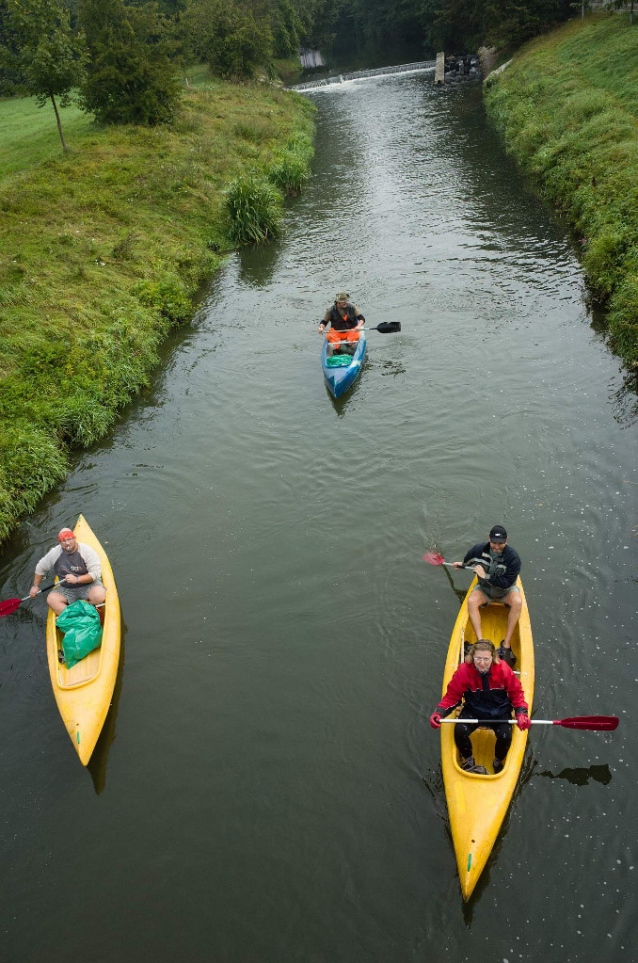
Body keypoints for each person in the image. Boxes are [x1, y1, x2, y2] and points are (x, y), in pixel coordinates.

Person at [430, 640, 530, 774]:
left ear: (493, 658)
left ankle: (498, 761)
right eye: (478, 658)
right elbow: (452, 697)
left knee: (505, 736)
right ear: (472, 657)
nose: (482, 663)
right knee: (459, 731)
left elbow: (517, 695)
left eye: (486, 659)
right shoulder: (463, 672)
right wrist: (439, 712)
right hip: (474, 710)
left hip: (500, 712)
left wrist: (521, 712)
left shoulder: (504, 671)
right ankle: (469, 760)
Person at [451, 525, 521, 667]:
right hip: (485, 590)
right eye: (494, 542)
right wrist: (462, 565)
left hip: (505, 592)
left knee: (518, 602)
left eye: (500, 543)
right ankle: (481, 641)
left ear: (506, 541)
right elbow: (468, 562)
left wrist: (485, 575)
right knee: (471, 601)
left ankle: (506, 644)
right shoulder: (478, 550)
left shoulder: (513, 558)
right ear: (489, 539)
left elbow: (507, 583)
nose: (496, 546)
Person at [30, 527, 106, 616]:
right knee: (51, 600)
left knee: (100, 595)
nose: (67, 543)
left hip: (88, 585)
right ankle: (74, 616)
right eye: (63, 540)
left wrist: (77, 579)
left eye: (69, 539)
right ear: (59, 542)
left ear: (74, 538)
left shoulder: (87, 551)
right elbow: (40, 567)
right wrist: (35, 586)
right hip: (66, 588)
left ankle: (89, 609)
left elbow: (96, 573)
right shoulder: (55, 553)